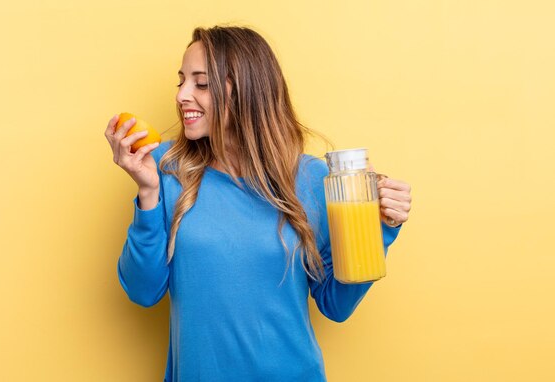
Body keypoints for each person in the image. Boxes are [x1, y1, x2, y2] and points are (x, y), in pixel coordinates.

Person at [104, 25, 412, 382]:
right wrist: (147, 192)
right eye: (181, 81)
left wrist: (381, 229)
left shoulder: (311, 180)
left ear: (246, 91)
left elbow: (336, 305)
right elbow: (143, 290)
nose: (182, 95)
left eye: (201, 83)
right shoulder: (167, 171)